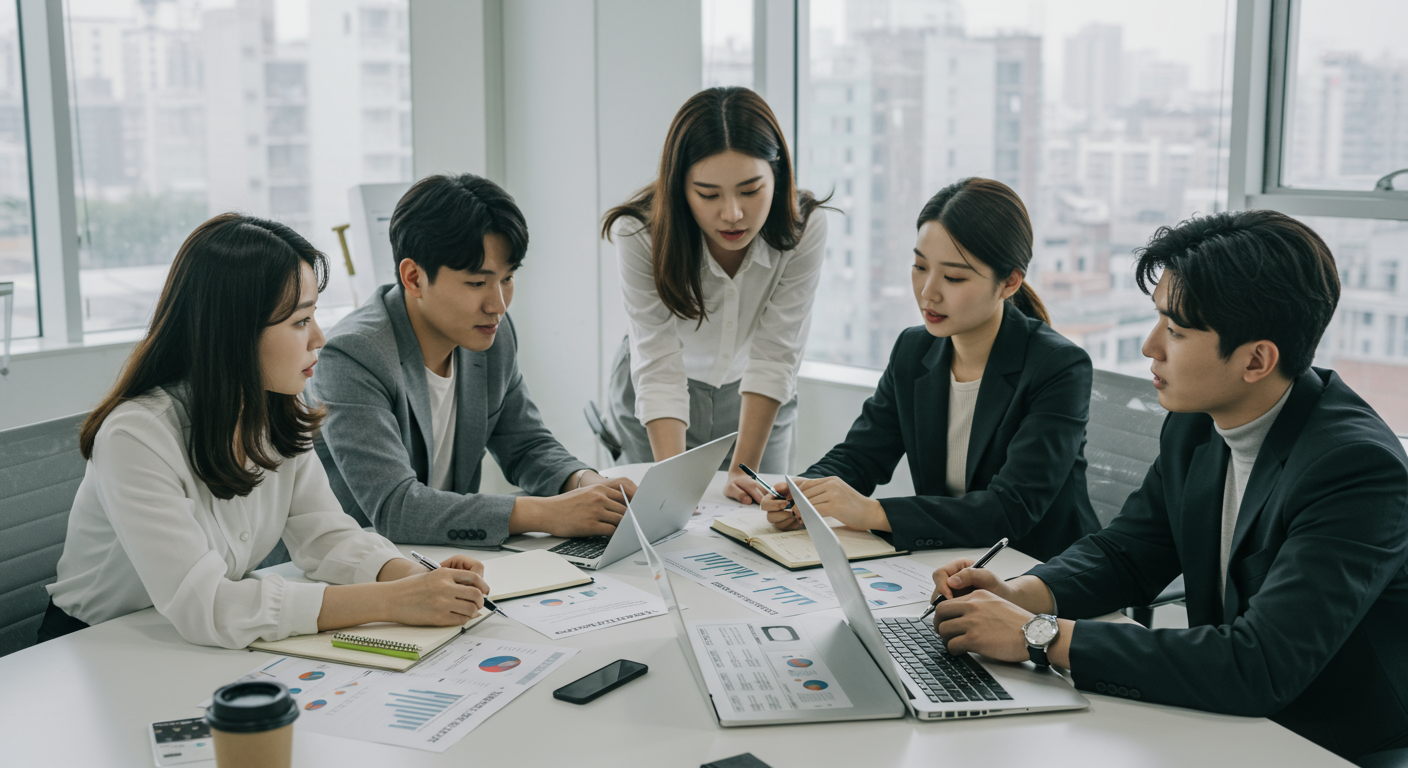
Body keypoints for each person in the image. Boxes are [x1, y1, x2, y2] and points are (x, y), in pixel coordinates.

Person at [928, 210, 1408, 762]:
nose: (1150, 346)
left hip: (1330, 740)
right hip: (1225, 714)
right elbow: (1127, 553)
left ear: (1257, 359)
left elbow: (1260, 664)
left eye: (1176, 331)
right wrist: (1018, 594)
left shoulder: (1355, 469)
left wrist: (1038, 634)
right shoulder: (1196, 423)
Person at [42, 214, 490, 649]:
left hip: (195, 644)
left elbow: (325, 537)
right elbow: (207, 605)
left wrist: (415, 577)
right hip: (98, 646)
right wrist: (392, 601)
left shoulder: (277, 408)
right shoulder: (136, 435)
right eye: (300, 321)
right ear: (234, 333)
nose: (319, 338)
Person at [761, 178, 1098, 561]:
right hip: (945, 562)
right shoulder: (913, 349)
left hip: (1039, 571)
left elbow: (1010, 509)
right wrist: (803, 493)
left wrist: (873, 513)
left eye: (953, 277)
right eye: (920, 266)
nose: (928, 292)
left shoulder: (1059, 367)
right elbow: (861, 455)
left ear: (1009, 282)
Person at [308, 173, 636, 548]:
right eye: (477, 283)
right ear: (414, 278)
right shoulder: (352, 355)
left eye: (507, 278)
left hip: (441, 557)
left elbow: (526, 446)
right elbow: (396, 508)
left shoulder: (492, 335)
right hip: (346, 564)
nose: (498, 305)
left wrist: (587, 484)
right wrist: (546, 513)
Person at [601, 86, 829, 502]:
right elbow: (657, 364)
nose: (732, 214)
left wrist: (744, 470)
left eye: (751, 190)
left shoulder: (804, 227)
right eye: (708, 194)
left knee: (759, 515)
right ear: (679, 187)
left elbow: (776, 353)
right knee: (660, 515)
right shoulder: (639, 233)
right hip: (656, 397)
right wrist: (674, 492)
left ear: (777, 176)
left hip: (756, 398)